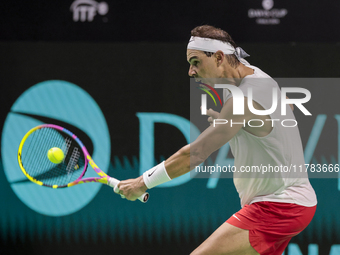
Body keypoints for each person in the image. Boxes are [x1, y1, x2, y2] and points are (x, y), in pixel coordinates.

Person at [115, 25, 317, 255]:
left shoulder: (244, 97)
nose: (191, 72)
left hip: (278, 206)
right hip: (290, 203)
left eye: (196, 62)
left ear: (220, 57)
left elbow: (196, 154)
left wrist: (141, 183)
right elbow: (282, 106)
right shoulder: (250, 74)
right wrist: (235, 122)